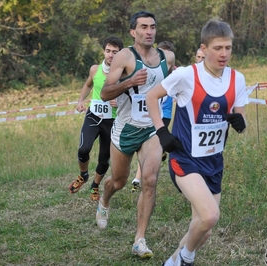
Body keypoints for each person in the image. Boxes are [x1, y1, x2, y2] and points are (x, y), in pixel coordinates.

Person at [145, 19, 248, 266]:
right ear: (204, 48)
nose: (224, 54)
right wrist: (162, 132)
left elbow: (241, 116)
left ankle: (172, 262)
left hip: (214, 161)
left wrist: (240, 123)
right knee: (210, 215)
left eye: (228, 48)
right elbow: (151, 96)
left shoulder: (237, 79)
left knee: (204, 228)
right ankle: (186, 259)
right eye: (218, 48)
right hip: (185, 159)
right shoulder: (186, 75)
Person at [96, 10, 175, 258]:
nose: (149, 31)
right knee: (118, 181)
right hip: (126, 128)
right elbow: (105, 94)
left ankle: (139, 240)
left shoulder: (168, 57)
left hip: (153, 127)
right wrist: (129, 82)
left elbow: (177, 81)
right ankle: (105, 200)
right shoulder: (124, 57)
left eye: (152, 26)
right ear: (133, 32)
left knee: (149, 180)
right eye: (143, 27)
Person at [68, 36, 124, 201]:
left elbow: (131, 95)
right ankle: (83, 175)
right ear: (103, 51)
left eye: (115, 52)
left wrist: (119, 102)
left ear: (120, 54)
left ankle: (95, 186)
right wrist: (80, 100)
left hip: (111, 121)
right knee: (83, 149)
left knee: (104, 158)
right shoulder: (94, 69)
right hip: (93, 116)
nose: (110, 55)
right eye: (108, 51)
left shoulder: (124, 73)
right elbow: (88, 85)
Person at [131, 40, 175, 192]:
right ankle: (138, 178)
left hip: (165, 114)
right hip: (147, 114)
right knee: (145, 145)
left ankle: (138, 178)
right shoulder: (148, 69)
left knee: (149, 145)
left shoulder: (174, 73)